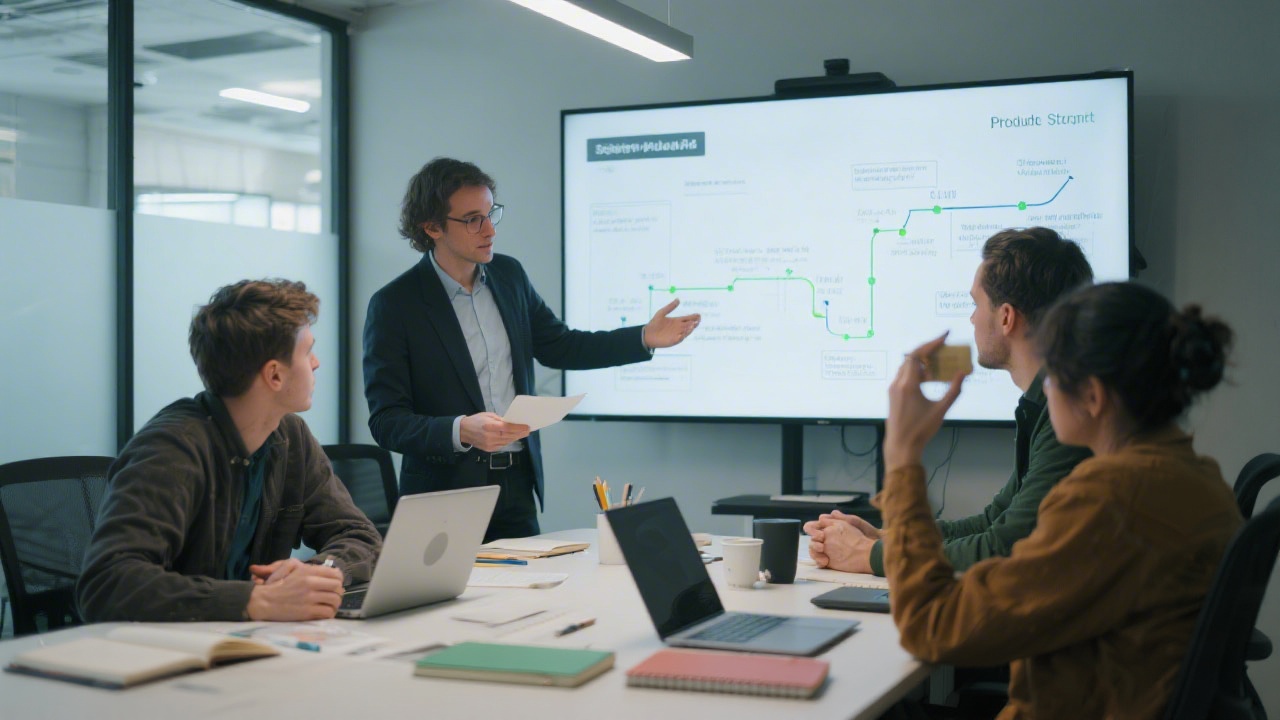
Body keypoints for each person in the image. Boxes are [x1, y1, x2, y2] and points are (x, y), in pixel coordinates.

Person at [880, 282, 1241, 718]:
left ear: (1092, 395)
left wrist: (903, 457)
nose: (1044, 390)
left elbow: (932, 626)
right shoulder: (1201, 480)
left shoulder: (1110, 500)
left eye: (1052, 377)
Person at [364, 157, 700, 541]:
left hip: (516, 486)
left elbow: (562, 346)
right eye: (473, 219)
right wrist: (461, 430)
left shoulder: (509, 276)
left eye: (491, 214)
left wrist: (642, 337)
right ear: (432, 227)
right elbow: (387, 421)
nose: (489, 229)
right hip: (443, 494)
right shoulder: (396, 304)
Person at [78, 280, 381, 623]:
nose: (316, 363)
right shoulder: (172, 450)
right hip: (167, 653)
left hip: (249, 642)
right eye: (307, 351)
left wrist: (319, 573)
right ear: (274, 375)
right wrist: (256, 601)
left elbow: (359, 536)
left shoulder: (289, 435)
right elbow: (107, 583)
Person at [807, 227, 1093, 575]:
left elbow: (1005, 546)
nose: (972, 318)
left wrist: (868, 556)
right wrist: (888, 538)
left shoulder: (1070, 416)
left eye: (976, 304)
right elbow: (993, 522)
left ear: (1006, 317)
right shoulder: (1044, 403)